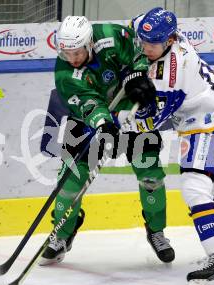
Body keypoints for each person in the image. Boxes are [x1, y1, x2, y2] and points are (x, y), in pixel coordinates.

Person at [126, 7, 214, 285]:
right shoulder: (163, 34)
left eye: (153, 44)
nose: (146, 48)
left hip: (204, 121)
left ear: (170, 40)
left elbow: (153, 121)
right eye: (144, 41)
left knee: (194, 186)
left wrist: (122, 121)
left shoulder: (171, 74)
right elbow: (133, 26)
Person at [38, 16, 175, 266]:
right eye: (66, 53)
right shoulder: (65, 72)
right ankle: (62, 235)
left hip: (131, 111)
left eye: (77, 52)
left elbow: (138, 50)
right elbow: (88, 104)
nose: (72, 59)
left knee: (151, 176)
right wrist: (103, 123)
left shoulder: (112, 35)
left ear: (89, 42)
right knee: (70, 180)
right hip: (88, 121)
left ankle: (157, 232)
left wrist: (136, 75)